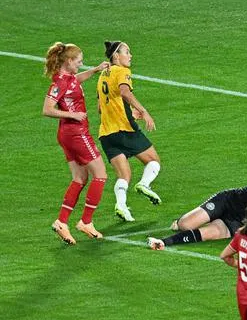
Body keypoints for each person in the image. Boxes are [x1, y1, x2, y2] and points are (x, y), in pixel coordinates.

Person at [149, 156, 247, 250]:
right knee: (185, 225)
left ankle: (163, 241)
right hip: (226, 203)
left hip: (235, 223)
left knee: (206, 235)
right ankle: (182, 221)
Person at [42, 43, 109, 245]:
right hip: (76, 133)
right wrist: (74, 114)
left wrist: (95, 70)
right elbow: (47, 109)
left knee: (80, 178)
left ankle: (62, 222)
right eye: (79, 61)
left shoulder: (68, 79)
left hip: (68, 134)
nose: (81, 64)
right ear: (69, 61)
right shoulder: (60, 83)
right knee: (101, 176)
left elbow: (76, 81)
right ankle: (86, 222)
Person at [96, 40, 161, 223]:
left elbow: (101, 107)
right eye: (127, 52)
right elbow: (125, 93)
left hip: (106, 134)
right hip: (124, 129)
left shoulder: (103, 75)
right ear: (116, 56)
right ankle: (144, 184)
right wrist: (144, 111)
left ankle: (122, 207)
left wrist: (129, 111)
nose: (130, 55)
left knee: (124, 175)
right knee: (153, 161)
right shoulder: (122, 71)